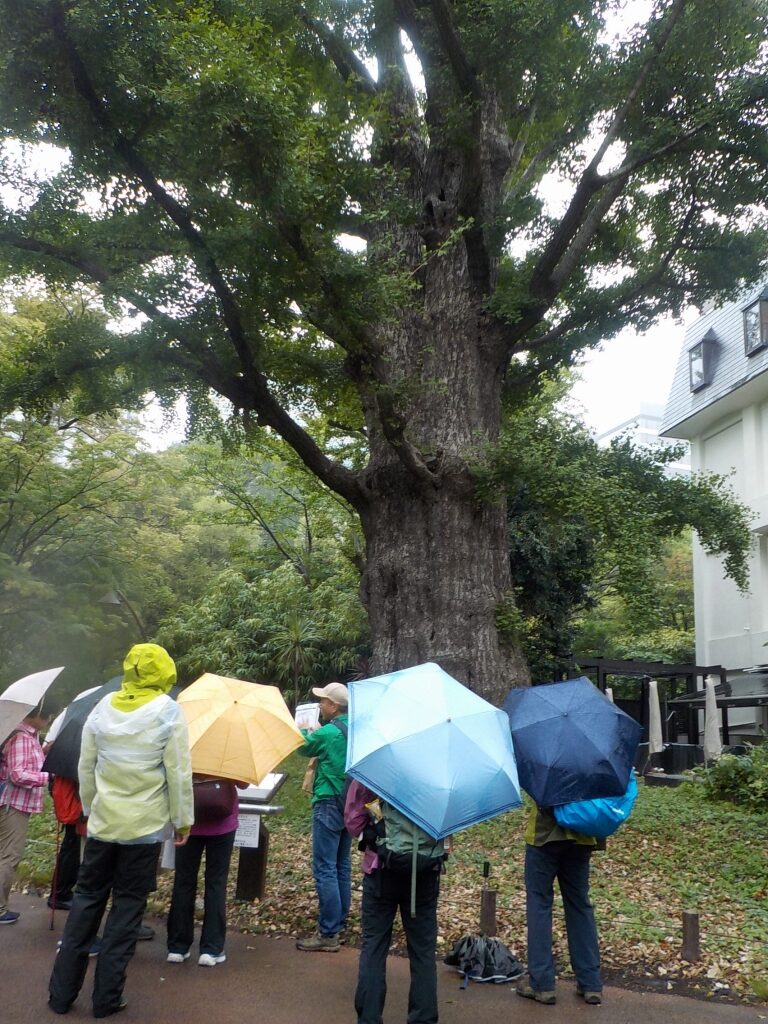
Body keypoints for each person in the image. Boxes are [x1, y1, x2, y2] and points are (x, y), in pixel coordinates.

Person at [48, 643, 193, 1018]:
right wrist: (182, 820)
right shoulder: (168, 711)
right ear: (164, 671)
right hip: (143, 830)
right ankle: (107, 999)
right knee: (126, 912)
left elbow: (86, 767)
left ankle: (60, 996)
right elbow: (178, 773)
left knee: (86, 903)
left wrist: (92, 809)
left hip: (102, 825)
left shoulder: (102, 707)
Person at [345, 779, 443, 1024]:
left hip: (381, 870)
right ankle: (423, 1018)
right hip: (425, 871)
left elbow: (353, 822)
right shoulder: (441, 775)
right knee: (423, 952)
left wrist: (374, 834)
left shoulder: (373, 770)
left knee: (374, 947)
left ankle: (369, 1017)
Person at [516, 803, 603, 1006]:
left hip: (544, 836)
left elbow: (537, 791)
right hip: (582, 835)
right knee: (580, 906)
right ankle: (590, 983)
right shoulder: (593, 777)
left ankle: (541, 984)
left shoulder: (545, 777)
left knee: (539, 905)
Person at [166, 774, 247, 967]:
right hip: (222, 822)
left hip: (188, 821)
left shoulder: (186, 753)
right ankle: (211, 948)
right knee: (216, 882)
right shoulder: (230, 756)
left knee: (183, 880)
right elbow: (243, 782)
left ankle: (178, 946)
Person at [295, 681, 351, 952]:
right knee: (341, 865)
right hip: (349, 804)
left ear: (334, 706)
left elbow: (302, 747)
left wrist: (304, 729)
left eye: (324, 701)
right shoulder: (355, 729)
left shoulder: (327, 733)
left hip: (328, 801)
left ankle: (328, 933)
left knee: (325, 867)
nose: (320, 704)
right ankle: (339, 921)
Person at [0, 702, 51, 924]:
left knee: (6, 854)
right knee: (9, 856)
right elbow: (18, 774)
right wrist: (48, 777)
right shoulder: (21, 737)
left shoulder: (29, 736)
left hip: (16, 803)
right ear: (38, 715)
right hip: (13, 805)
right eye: (48, 716)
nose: (49, 721)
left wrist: (44, 752)